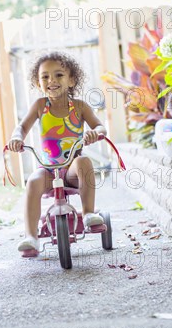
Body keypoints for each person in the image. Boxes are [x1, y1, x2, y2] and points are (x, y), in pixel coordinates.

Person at [8, 51, 107, 253]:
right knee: (33, 181)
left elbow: (100, 127)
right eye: (45, 76)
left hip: (72, 170)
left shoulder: (79, 107)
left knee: (84, 162)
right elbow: (22, 127)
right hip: (48, 170)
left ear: (71, 80)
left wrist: (94, 134)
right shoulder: (39, 106)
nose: (51, 80)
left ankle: (88, 214)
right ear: (38, 83)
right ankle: (31, 237)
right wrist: (17, 138)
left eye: (59, 75)